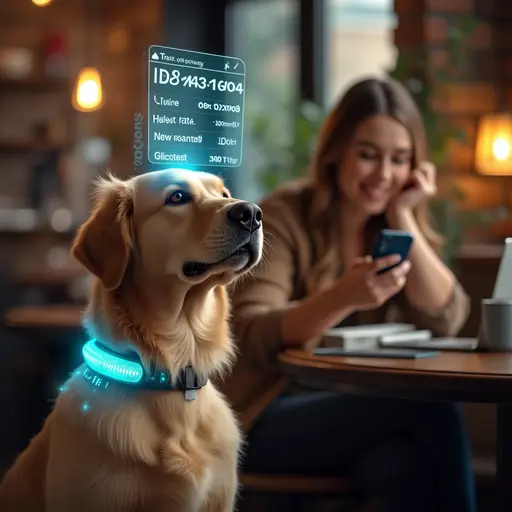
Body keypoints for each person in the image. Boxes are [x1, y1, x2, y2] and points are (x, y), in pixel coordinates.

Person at [218, 78, 477, 511]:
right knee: (432, 408)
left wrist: (403, 214)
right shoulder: (286, 214)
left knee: (398, 466)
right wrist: (343, 296)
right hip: (261, 417)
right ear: (337, 151)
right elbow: (252, 330)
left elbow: (445, 317)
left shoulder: (390, 227)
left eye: (400, 159)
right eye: (368, 155)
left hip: (350, 418)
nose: (384, 174)